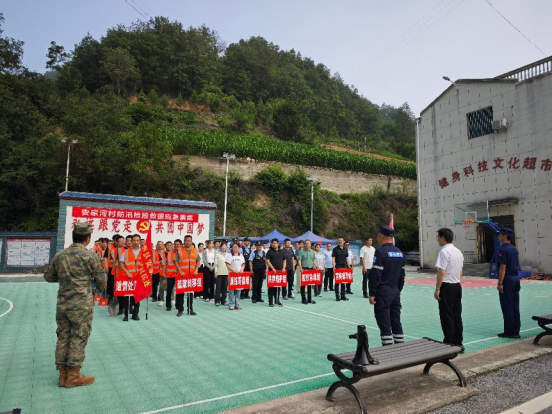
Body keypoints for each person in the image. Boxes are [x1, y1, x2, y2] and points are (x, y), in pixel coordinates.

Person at [44, 222, 106, 388]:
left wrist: (66, 278)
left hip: (63, 304)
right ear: (87, 239)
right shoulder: (90, 256)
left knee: (63, 336)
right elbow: (102, 282)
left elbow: (49, 277)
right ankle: (73, 375)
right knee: (78, 337)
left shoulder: (60, 256)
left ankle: (62, 375)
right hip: (82, 306)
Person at [369, 226, 406, 346]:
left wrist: (372, 293)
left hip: (383, 292)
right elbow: (402, 275)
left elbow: (376, 274)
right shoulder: (399, 252)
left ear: (381, 236)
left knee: (384, 322)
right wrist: (397, 290)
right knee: (396, 321)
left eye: (377, 235)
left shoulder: (380, 251)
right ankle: (400, 346)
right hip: (395, 291)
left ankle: (388, 349)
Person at [434, 228, 464, 346]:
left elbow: (441, 272)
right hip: (457, 285)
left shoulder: (444, 252)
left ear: (443, 238)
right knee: (457, 315)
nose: (437, 239)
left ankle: (449, 341)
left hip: (447, 286)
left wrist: (437, 289)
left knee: (447, 315)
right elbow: (461, 271)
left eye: (438, 237)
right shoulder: (458, 251)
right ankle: (458, 341)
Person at [496, 228, 521, 339]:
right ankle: (516, 330)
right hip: (515, 278)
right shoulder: (514, 249)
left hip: (508, 280)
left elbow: (502, 267)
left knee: (507, 306)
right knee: (515, 306)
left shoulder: (503, 249)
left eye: (500, 234)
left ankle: (509, 331)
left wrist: (500, 283)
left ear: (504, 236)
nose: (498, 236)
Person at [118, 234, 143, 321]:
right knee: (127, 297)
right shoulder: (126, 252)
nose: (136, 242)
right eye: (134, 240)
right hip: (128, 277)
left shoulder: (143, 253)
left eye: (137, 240)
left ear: (140, 241)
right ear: (131, 241)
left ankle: (135, 314)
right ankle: (126, 315)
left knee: (137, 297)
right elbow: (121, 264)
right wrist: (127, 272)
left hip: (138, 278)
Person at [174, 235, 200, 316]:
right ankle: (180, 310)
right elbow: (175, 261)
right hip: (182, 275)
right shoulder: (179, 250)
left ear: (191, 241)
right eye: (186, 240)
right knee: (180, 293)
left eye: (189, 240)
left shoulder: (195, 251)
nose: (187, 242)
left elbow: (198, 261)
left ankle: (190, 309)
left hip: (191, 275)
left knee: (190, 293)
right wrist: (180, 271)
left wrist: (196, 269)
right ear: (184, 241)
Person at [266, 238, 286, 307]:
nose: (273, 244)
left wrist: (283, 268)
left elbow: (284, 260)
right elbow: (267, 260)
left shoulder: (281, 251)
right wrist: (272, 268)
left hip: (279, 271)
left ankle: (277, 300)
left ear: (278, 244)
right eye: (272, 243)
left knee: (278, 287)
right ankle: (270, 302)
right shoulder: (269, 251)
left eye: (275, 243)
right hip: (272, 272)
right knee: (271, 287)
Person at [297, 239, 318, 305]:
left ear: (310, 244)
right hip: (304, 269)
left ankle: (309, 299)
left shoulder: (312, 251)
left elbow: (313, 260)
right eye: (305, 243)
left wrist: (317, 267)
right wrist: (300, 268)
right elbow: (299, 260)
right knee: (303, 285)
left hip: (311, 269)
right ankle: (303, 299)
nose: (306, 244)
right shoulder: (301, 251)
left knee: (310, 285)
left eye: (308, 243)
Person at [226, 243, 245, 310]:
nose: (235, 248)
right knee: (231, 290)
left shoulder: (241, 255)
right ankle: (231, 304)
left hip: (239, 275)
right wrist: (234, 270)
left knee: (238, 290)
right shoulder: (229, 255)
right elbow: (228, 264)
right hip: (232, 274)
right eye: (234, 247)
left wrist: (242, 269)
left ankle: (237, 304)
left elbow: (243, 264)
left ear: (239, 248)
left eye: (236, 247)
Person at [332, 237, 350, 301]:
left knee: (343, 282)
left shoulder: (345, 249)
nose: (340, 241)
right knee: (337, 282)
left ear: (343, 241)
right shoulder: (335, 249)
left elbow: (347, 258)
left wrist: (349, 266)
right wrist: (334, 267)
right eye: (339, 240)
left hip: (344, 266)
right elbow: (333, 258)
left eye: (341, 240)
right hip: (338, 266)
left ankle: (343, 296)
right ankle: (337, 296)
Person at [214, 242, 229, 306]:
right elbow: (215, 264)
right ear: (220, 247)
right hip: (219, 273)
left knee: (225, 288)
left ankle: (223, 300)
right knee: (218, 287)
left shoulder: (228, 255)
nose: (224, 247)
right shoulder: (218, 255)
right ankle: (217, 300)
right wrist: (216, 272)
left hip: (226, 273)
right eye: (223, 246)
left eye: (225, 246)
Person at [164, 241, 177, 311]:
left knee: (179, 291)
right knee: (169, 290)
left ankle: (178, 305)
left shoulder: (179, 253)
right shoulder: (168, 254)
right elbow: (166, 265)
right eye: (167, 245)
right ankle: (168, 305)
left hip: (178, 275)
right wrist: (164, 272)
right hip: (170, 275)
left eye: (170, 245)